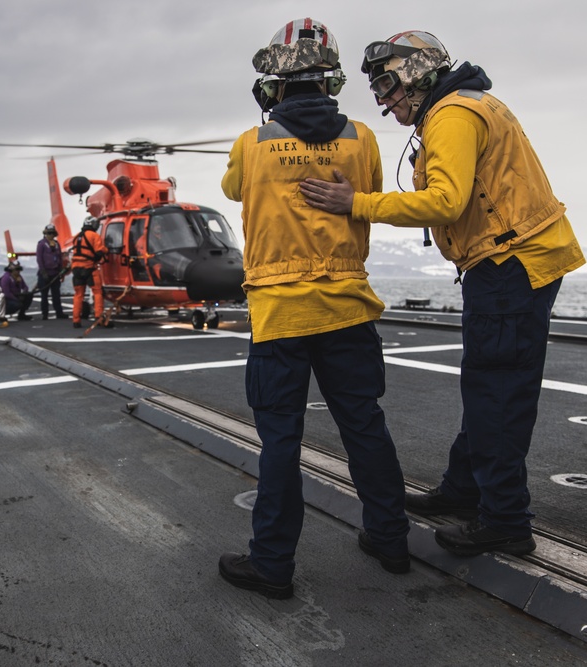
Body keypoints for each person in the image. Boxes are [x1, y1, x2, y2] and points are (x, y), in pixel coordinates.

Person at [299, 31, 585, 557]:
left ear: (418, 71)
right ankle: (464, 489)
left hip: (508, 264)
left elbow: (445, 202)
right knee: (487, 386)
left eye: (386, 85)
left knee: (497, 391)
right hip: (514, 261)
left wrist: (356, 202)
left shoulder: (452, 115)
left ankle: (505, 520)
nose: (384, 101)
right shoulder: (467, 104)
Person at [218, 18, 411, 601]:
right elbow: (369, 192)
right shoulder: (361, 138)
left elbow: (233, 190)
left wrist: (271, 133)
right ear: (331, 80)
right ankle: (391, 540)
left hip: (280, 315)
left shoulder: (252, 144)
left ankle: (272, 565)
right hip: (349, 308)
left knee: (281, 440)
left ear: (275, 80)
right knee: (364, 427)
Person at [69, 216, 110, 329]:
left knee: (78, 295)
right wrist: (107, 250)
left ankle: (76, 320)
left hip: (76, 269)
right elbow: (99, 251)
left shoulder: (77, 236)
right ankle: (99, 317)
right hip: (89, 268)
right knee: (97, 292)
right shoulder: (94, 236)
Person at [36, 224, 68, 320]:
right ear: (45, 233)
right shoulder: (41, 244)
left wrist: (61, 270)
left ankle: (59, 313)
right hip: (44, 274)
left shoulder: (57, 244)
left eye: (52, 233)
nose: (51, 235)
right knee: (44, 295)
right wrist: (43, 271)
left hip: (55, 273)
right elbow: (39, 259)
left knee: (56, 295)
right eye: (49, 233)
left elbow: (60, 258)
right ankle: (45, 314)